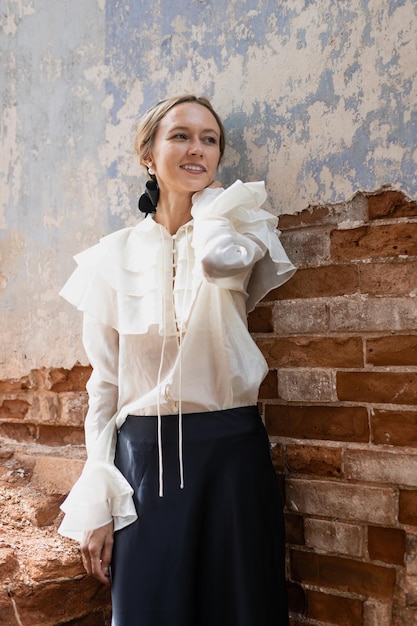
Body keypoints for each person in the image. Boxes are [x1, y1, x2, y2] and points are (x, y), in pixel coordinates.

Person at [59, 94, 296, 626]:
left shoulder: (241, 227)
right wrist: (97, 502)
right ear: (147, 154)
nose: (197, 149)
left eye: (209, 139)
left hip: (230, 453)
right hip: (143, 459)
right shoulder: (109, 257)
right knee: (145, 610)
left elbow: (217, 262)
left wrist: (211, 207)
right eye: (181, 135)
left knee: (241, 610)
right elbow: (104, 387)